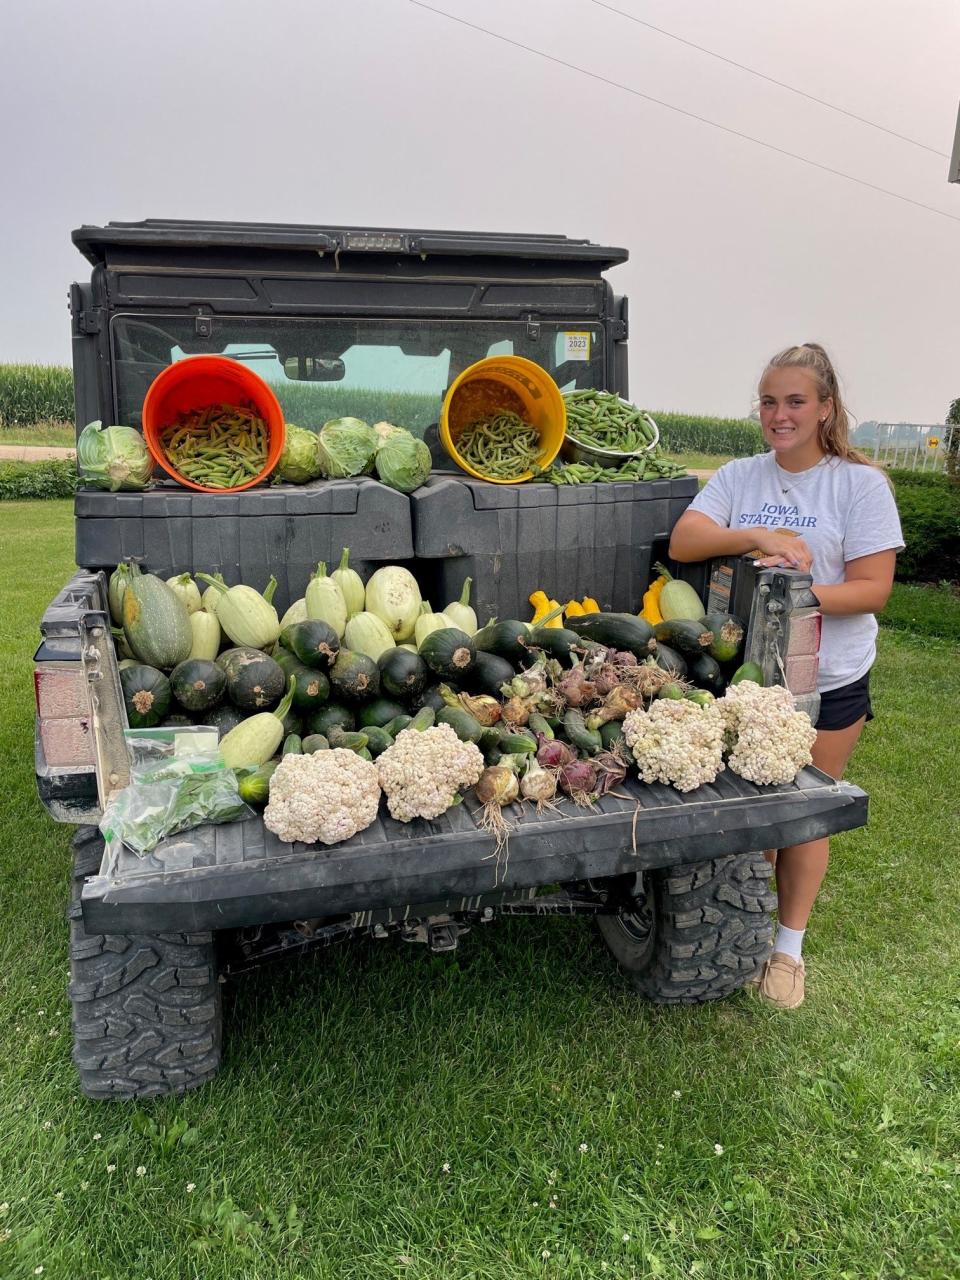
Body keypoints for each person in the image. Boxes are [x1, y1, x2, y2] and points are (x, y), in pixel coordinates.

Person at [668, 343, 904, 1009]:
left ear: (826, 407)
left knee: (805, 818)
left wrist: (791, 594)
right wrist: (760, 534)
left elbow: (872, 589)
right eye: (769, 402)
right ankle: (741, 927)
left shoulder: (860, 486)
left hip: (829, 677)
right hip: (746, 683)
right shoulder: (742, 476)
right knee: (751, 818)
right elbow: (686, 541)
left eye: (796, 401)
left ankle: (787, 950)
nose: (780, 414)